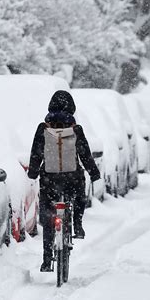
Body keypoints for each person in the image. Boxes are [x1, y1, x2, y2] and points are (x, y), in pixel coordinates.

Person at [27, 90, 101, 272]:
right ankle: (77, 224)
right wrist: (93, 173)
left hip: (49, 179)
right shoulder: (76, 129)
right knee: (78, 196)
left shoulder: (43, 128)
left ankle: (46, 260)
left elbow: (36, 153)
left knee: (48, 213)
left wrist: (33, 172)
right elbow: (84, 153)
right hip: (72, 178)